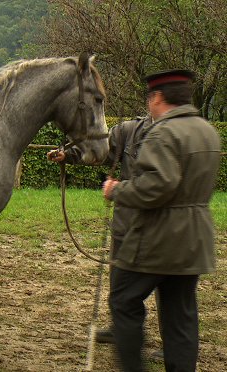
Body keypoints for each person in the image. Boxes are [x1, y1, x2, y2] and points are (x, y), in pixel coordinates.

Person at [102, 69, 221, 371]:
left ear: (157, 97)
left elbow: (158, 185)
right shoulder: (207, 131)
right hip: (194, 239)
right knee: (180, 315)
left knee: (123, 300)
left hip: (159, 238)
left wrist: (118, 189)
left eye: (150, 98)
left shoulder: (163, 133)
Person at [48, 115, 155, 346]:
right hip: (126, 222)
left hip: (160, 226)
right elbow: (101, 149)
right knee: (120, 280)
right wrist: (69, 155)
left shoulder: (178, 133)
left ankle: (173, 343)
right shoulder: (129, 131)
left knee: (169, 289)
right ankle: (123, 328)